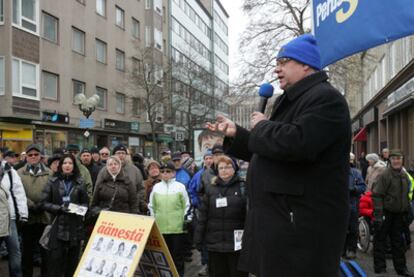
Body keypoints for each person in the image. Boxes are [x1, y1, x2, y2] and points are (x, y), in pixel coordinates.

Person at [206, 34, 351, 276]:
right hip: (283, 224)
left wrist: (262, 126)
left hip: (301, 228)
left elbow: (298, 143)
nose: (276, 68)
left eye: (283, 61)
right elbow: (273, 151)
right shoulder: (295, 100)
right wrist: (238, 135)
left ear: (305, 64)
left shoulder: (326, 99)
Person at [194, 155, 248, 277]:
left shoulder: (243, 187)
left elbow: (249, 216)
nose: (224, 170)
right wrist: (198, 238)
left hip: (237, 245)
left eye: (228, 167)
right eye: (221, 167)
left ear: (234, 169)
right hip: (215, 244)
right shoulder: (210, 188)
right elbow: (203, 216)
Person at [40, 154, 89, 277]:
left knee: (72, 264)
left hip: (74, 227)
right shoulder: (53, 181)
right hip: (57, 226)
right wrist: (58, 209)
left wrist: (80, 209)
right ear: (61, 165)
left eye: (70, 163)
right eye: (65, 163)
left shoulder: (80, 182)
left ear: (74, 166)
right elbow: (43, 202)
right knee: (55, 263)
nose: (67, 165)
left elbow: (85, 203)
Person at [372, 150, 414, 276]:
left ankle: (401, 269)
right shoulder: (385, 175)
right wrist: (379, 215)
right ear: (390, 160)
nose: (396, 161)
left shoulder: (404, 175)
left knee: (398, 243)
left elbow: (408, 195)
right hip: (386, 212)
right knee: (380, 240)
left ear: (402, 160)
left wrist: (407, 211)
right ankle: (380, 268)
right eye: (394, 158)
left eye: (399, 158)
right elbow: (377, 195)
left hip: (399, 214)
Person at [148, 162, 190, 277]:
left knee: (177, 257)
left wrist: (185, 220)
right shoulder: (156, 188)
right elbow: (152, 206)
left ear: (173, 173)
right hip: (161, 229)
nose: (165, 174)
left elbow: (186, 205)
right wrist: (153, 222)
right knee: (164, 258)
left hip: (177, 229)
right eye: (163, 172)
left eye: (168, 171)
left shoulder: (180, 187)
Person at [17, 144, 52, 277]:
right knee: (27, 253)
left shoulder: (50, 173)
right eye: (30, 155)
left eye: (36, 154)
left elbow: (51, 191)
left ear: (40, 156)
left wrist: (42, 204)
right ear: (26, 157)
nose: (33, 157)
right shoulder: (19, 172)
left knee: (45, 252)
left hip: (45, 217)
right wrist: (31, 205)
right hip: (28, 218)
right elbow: (18, 193)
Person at [96, 145, 145, 213]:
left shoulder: (135, 170)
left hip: (128, 210)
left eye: (123, 153)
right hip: (107, 211)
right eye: (118, 153)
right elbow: (97, 189)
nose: (121, 155)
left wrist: (136, 201)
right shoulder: (104, 170)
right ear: (113, 155)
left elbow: (141, 189)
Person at [1, 155, 28, 277]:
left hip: (10, 218)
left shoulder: (10, 171)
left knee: (15, 251)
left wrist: (23, 214)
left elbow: (19, 193)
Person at [343, 153, 366, 260]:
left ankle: (351, 250)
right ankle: (341, 250)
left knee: (353, 229)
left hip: (353, 205)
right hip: (340, 206)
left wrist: (354, 189)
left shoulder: (356, 173)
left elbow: (362, 187)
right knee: (341, 229)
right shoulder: (336, 173)